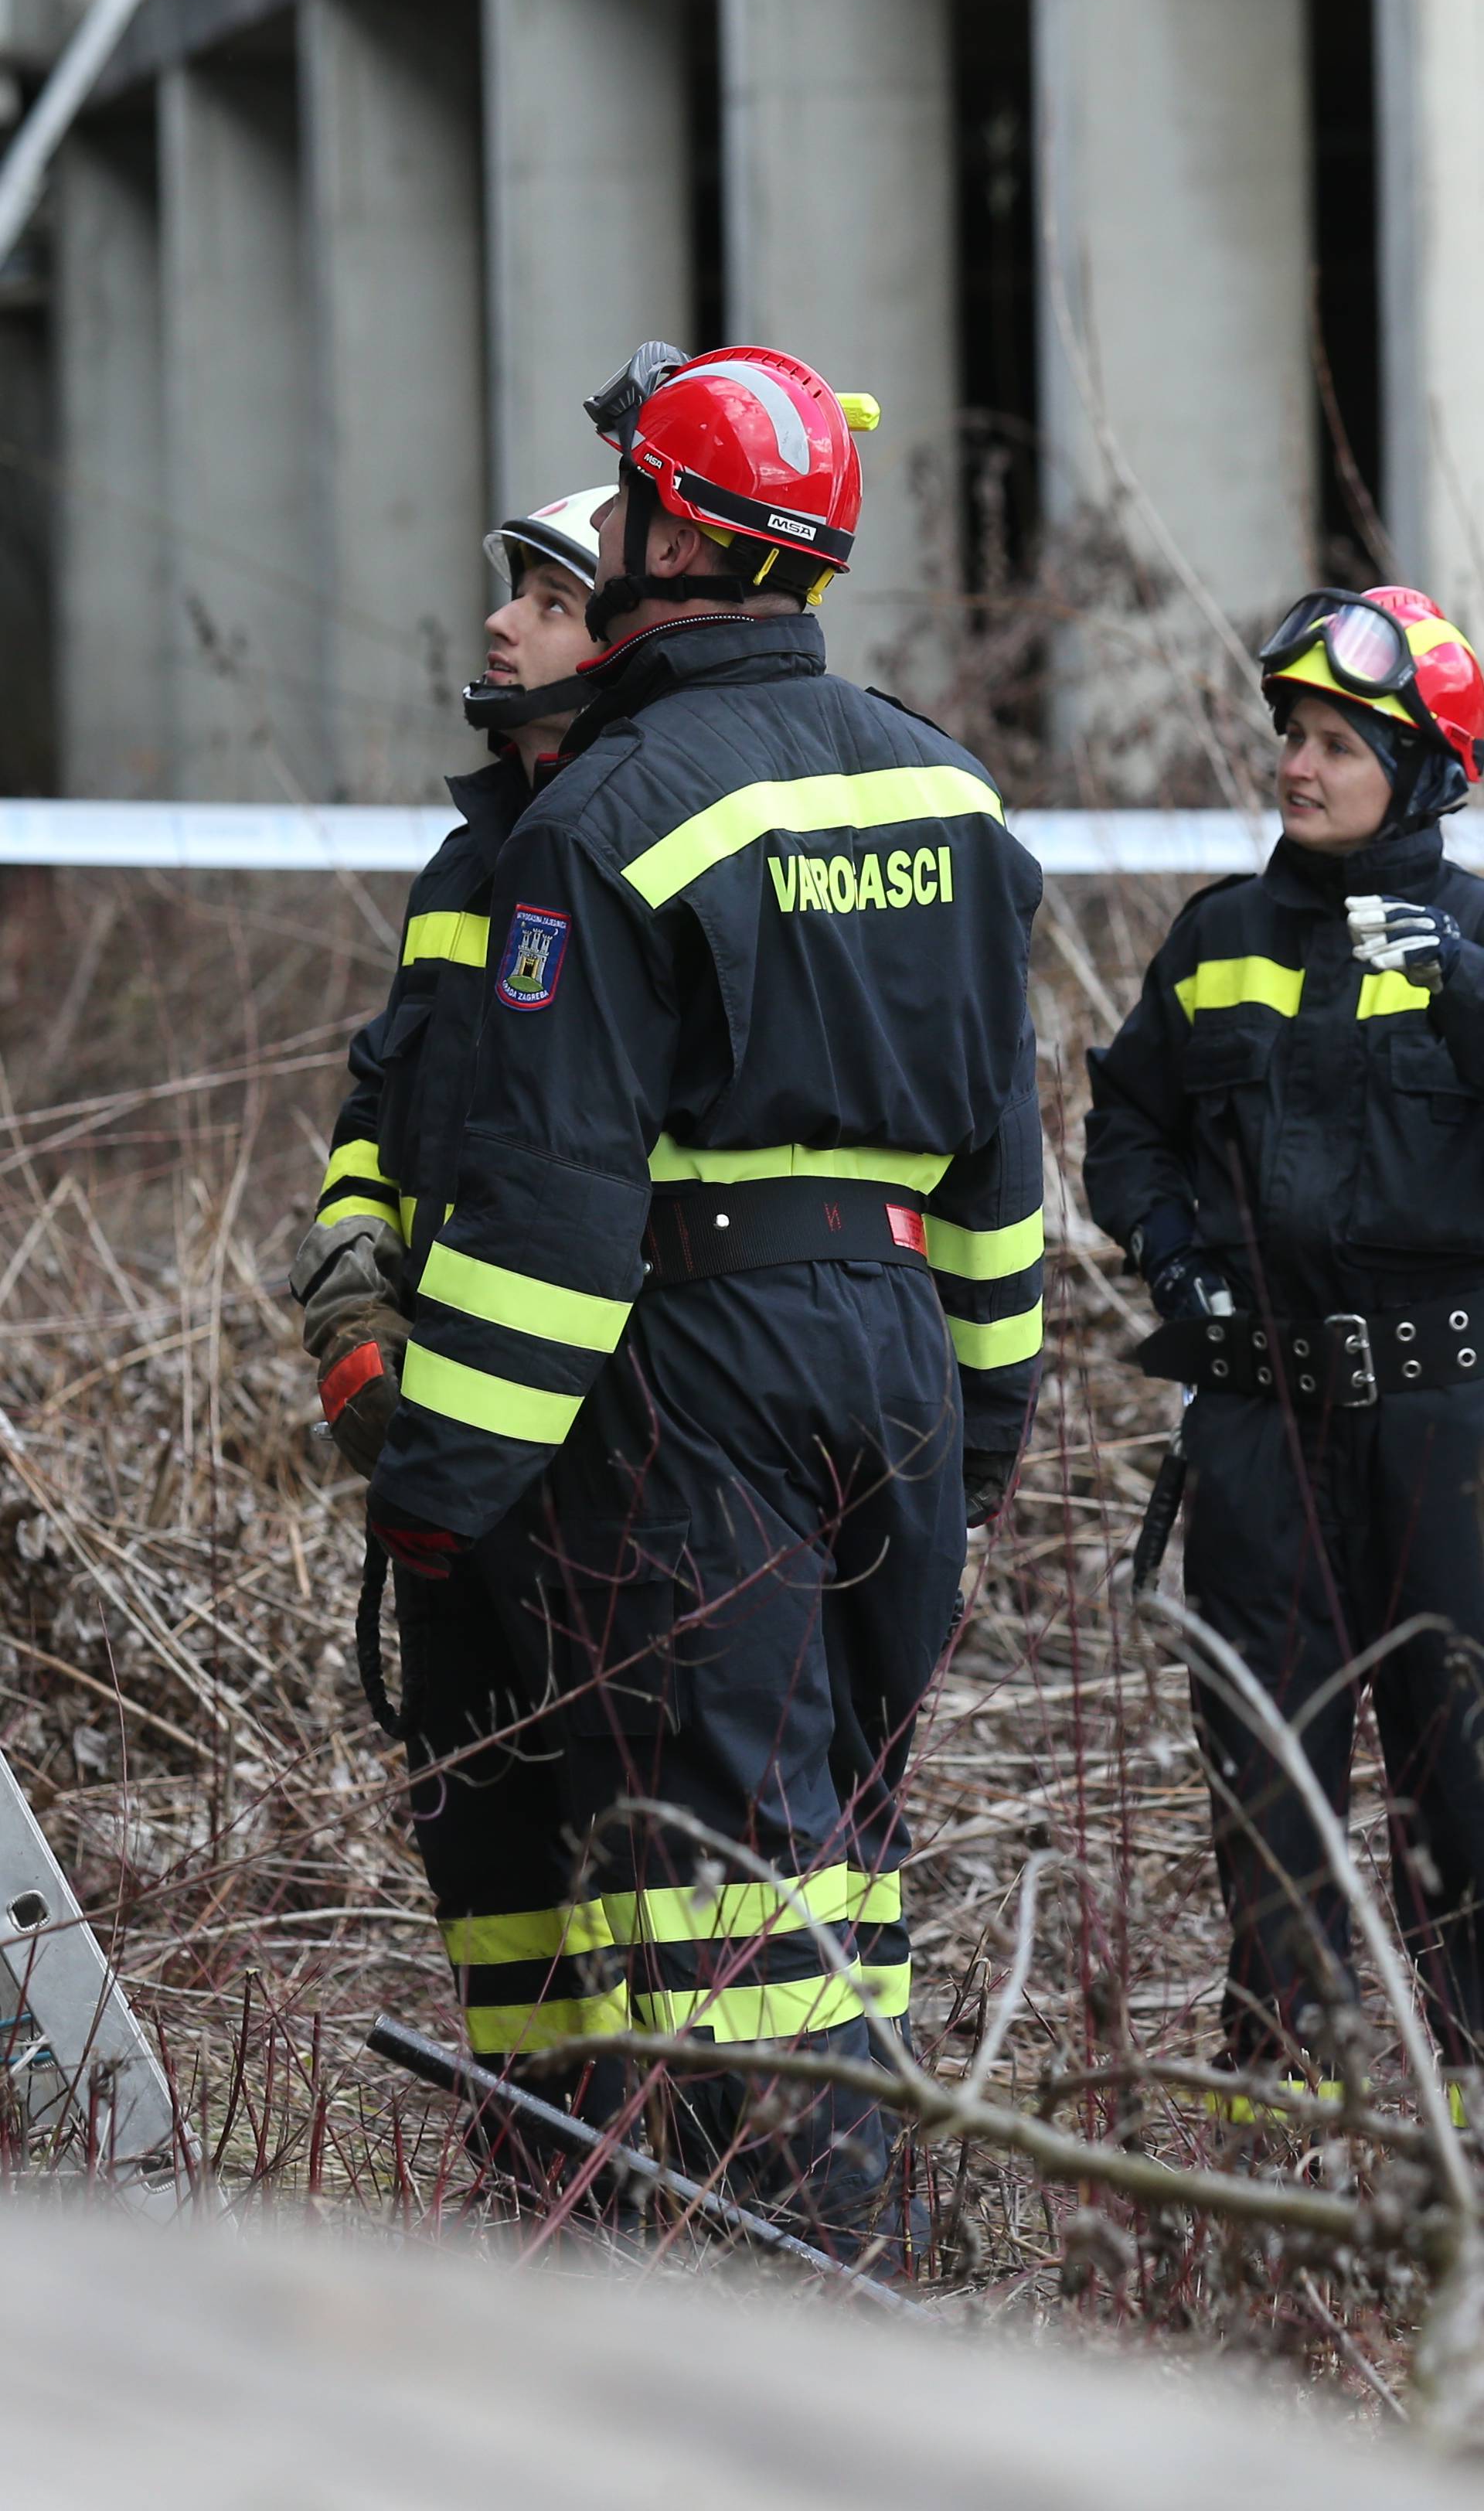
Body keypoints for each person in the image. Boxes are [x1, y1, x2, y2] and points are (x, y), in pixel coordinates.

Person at [360, 342, 1045, 2250]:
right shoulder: (957, 795)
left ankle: (787, 2287)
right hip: (899, 1365)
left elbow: (555, 1209)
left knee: (717, 1864)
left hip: (695, 1374)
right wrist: (977, 1429)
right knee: (848, 1836)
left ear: (668, 529)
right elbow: (1002, 1164)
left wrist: (439, 1482)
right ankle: (873, 2233)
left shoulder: (606, 818)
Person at [1084, 584, 1484, 2110]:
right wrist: (1176, 1255)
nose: (1297, 768)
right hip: (1261, 1435)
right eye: (1292, 737)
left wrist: (1466, 995)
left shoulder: (1477, 943)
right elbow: (1130, 1124)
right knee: (1271, 1787)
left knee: (1468, 1778)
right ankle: (1293, 2129)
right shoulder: (1221, 941)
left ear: (1428, 771)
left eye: (1337, 743)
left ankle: (1471, 2126)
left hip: (1452, 1423)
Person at [289, 485, 621, 2169]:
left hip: (599, 1449)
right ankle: (534, 2172)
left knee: (629, 1833)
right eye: (514, 597)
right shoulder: (467, 857)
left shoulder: (630, 851)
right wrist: (350, 1250)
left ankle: (673, 2203)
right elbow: (385, 1094)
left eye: (549, 603)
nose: (503, 627)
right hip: (442, 1449)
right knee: (484, 1837)